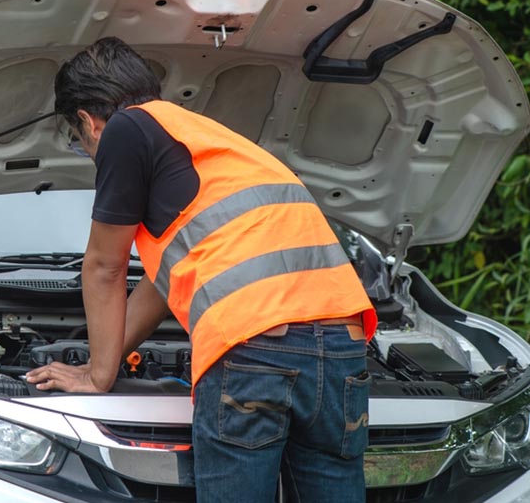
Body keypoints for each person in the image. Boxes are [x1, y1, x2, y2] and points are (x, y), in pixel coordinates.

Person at [25, 36, 377, 503]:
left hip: (257, 349)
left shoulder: (126, 129)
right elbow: (160, 286)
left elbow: (105, 266)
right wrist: (103, 360)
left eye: (79, 140)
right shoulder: (204, 136)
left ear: (88, 122)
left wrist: (97, 378)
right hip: (343, 347)